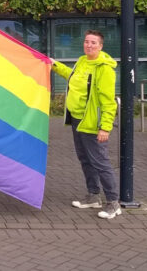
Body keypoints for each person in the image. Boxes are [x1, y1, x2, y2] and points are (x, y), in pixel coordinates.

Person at [51, 30, 120, 219]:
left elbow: (108, 102)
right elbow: (71, 76)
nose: (89, 45)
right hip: (77, 119)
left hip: (92, 122)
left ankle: (113, 203)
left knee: (100, 162)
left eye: (93, 43)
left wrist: (105, 127)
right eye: (87, 41)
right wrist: (54, 65)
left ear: (101, 46)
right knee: (85, 159)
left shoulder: (104, 69)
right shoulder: (82, 61)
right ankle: (93, 196)